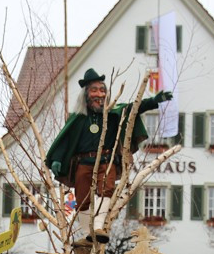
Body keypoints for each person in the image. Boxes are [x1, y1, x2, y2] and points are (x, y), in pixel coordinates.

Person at [45, 68, 172, 239]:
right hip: (83, 163)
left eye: (102, 90)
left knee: (106, 190)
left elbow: (135, 107)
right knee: (82, 199)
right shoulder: (78, 118)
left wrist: (154, 101)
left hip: (107, 160)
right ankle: (87, 234)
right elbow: (66, 139)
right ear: (86, 94)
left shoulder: (114, 113)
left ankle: (98, 228)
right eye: (94, 90)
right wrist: (57, 159)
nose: (100, 94)